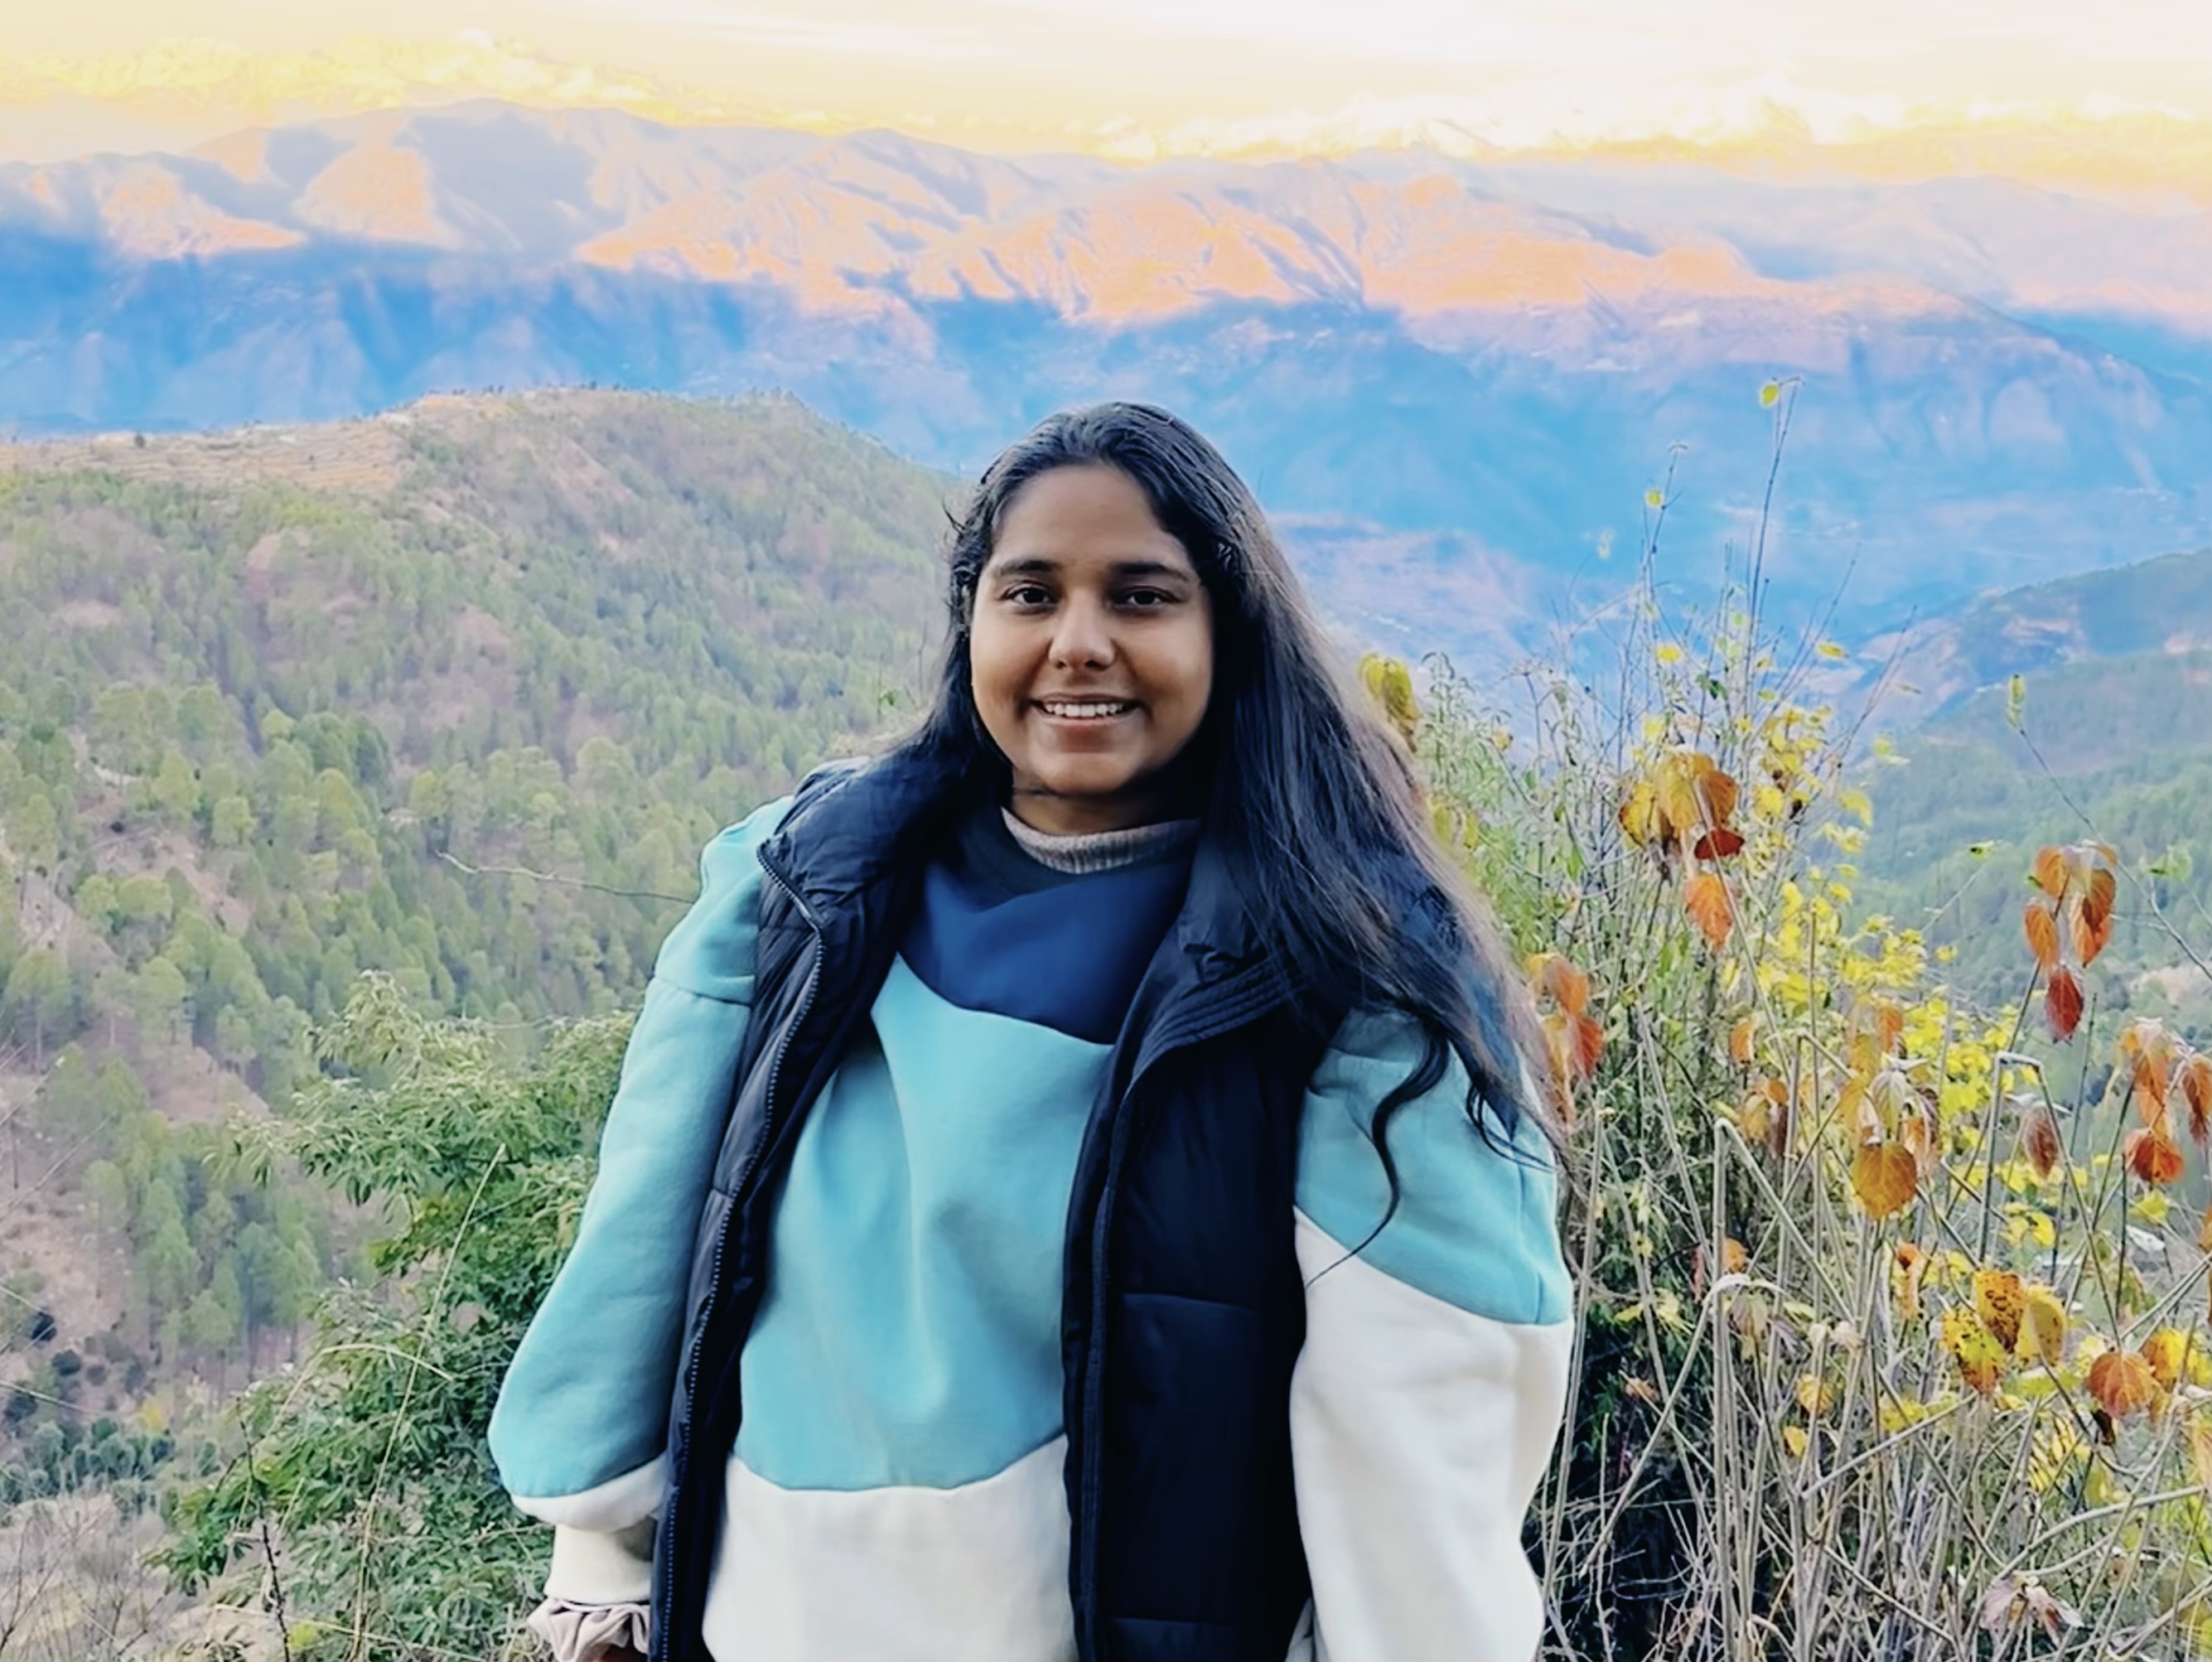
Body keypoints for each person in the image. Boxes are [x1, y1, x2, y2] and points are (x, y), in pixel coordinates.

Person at [486, 403, 1574, 1662]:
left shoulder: (1353, 981)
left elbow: (1421, 1464)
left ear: (1230, 631)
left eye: (1142, 596)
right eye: (1029, 594)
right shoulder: (799, 885)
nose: (1078, 643)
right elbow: (647, 1230)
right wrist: (604, 1549)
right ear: (971, 627)